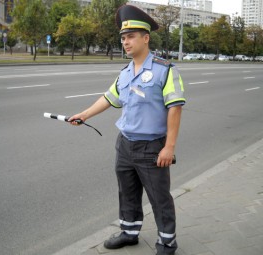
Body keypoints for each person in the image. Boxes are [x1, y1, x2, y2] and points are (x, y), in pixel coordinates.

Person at [69, 4, 185, 255]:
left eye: (131, 36)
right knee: (127, 192)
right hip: (125, 144)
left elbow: (175, 109)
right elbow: (109, 98)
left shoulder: (165, 70)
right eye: (123, 38)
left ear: (146, 38)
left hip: (152, 147)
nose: (126, 42)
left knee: (159, 197)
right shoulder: (124, 74)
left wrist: (169, 147)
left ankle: (167, 241)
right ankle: (129, 232)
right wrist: (84, 114)